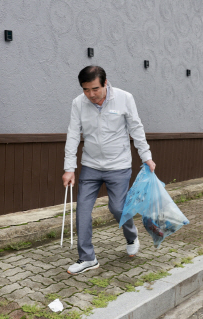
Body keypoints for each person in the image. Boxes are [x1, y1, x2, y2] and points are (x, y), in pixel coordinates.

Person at [63, 66, 156, 275]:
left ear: (105, 83)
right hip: (90, 166)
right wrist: (69, 168)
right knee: (83, 211)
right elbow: (72, 135)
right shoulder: (78, 103)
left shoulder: (124, 98)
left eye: (95, 88)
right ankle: (88, 258)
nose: (91, 95)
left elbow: (136, 128)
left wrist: (147, 157)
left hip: (118, 166)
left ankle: (131, 236)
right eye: (86, 90)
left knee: (118, 209)